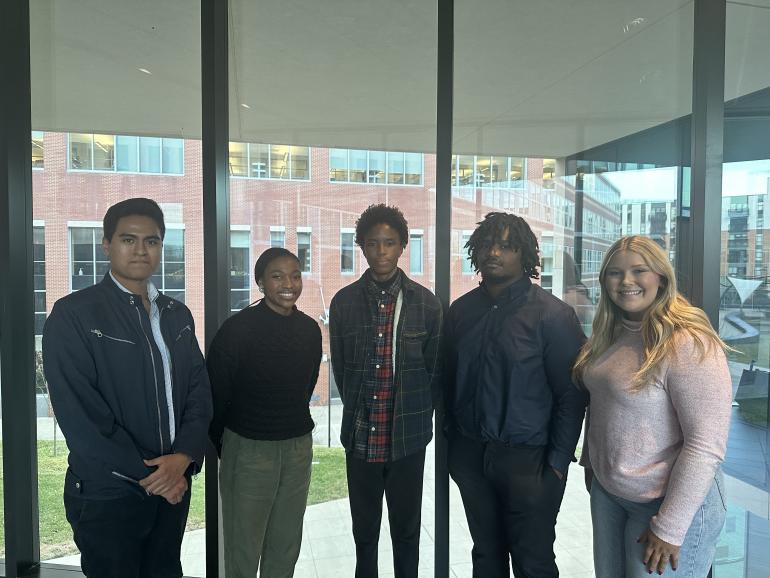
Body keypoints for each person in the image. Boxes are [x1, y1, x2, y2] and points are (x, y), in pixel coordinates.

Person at [43, 198, 212, 578]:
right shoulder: (74, 315)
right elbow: (80, 416)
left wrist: (183, 457)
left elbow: (198, 394)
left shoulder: (176, 315)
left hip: (172, 484)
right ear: (107, 245)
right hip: (109, 493)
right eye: (128, 239)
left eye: (151, 241)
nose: (140, 250)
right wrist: (155, 477)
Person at [573, 235, 731, 577]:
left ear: (661, 276)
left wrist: (671, 527)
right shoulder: (610, 335)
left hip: (666, 503)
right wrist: (594, 465)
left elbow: (706, 444)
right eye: (615, 273)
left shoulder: (687, 341)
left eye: (639, 270)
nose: (626, 281)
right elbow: (602, 406)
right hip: (610, 496)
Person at [444, 211, 586, 578]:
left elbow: (572, 396)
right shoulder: (461, 311)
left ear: (525, 255)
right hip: (472, 457)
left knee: (533, 562)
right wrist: (455, 450)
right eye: (488, 244)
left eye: (507, 246)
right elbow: (446, 380)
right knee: (485, 558)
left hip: (531, 463)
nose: (495, 252)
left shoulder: (553, 316)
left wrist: (556, 464)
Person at [329, 204, 442, 578]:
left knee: (406, 532)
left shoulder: (426, 303)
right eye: (374, 243)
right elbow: (343, 370)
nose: (381, 251)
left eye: (389, 243)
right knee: (364, 533)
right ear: (361, 246)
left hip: (407, 441)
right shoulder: (343, 302)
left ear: (402, 247)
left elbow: (433, 370)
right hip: (360, 438)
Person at [207, 247, 322, 578]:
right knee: (244, 549)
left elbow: (304, 386)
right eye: (277, 276)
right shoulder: (237, 330)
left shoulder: (310, 330)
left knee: (286, 547)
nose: (289, 283)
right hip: (248, 449)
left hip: (297, 447)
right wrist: (231, 444)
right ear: (260, 283)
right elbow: (216, 394)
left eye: (295, 275)